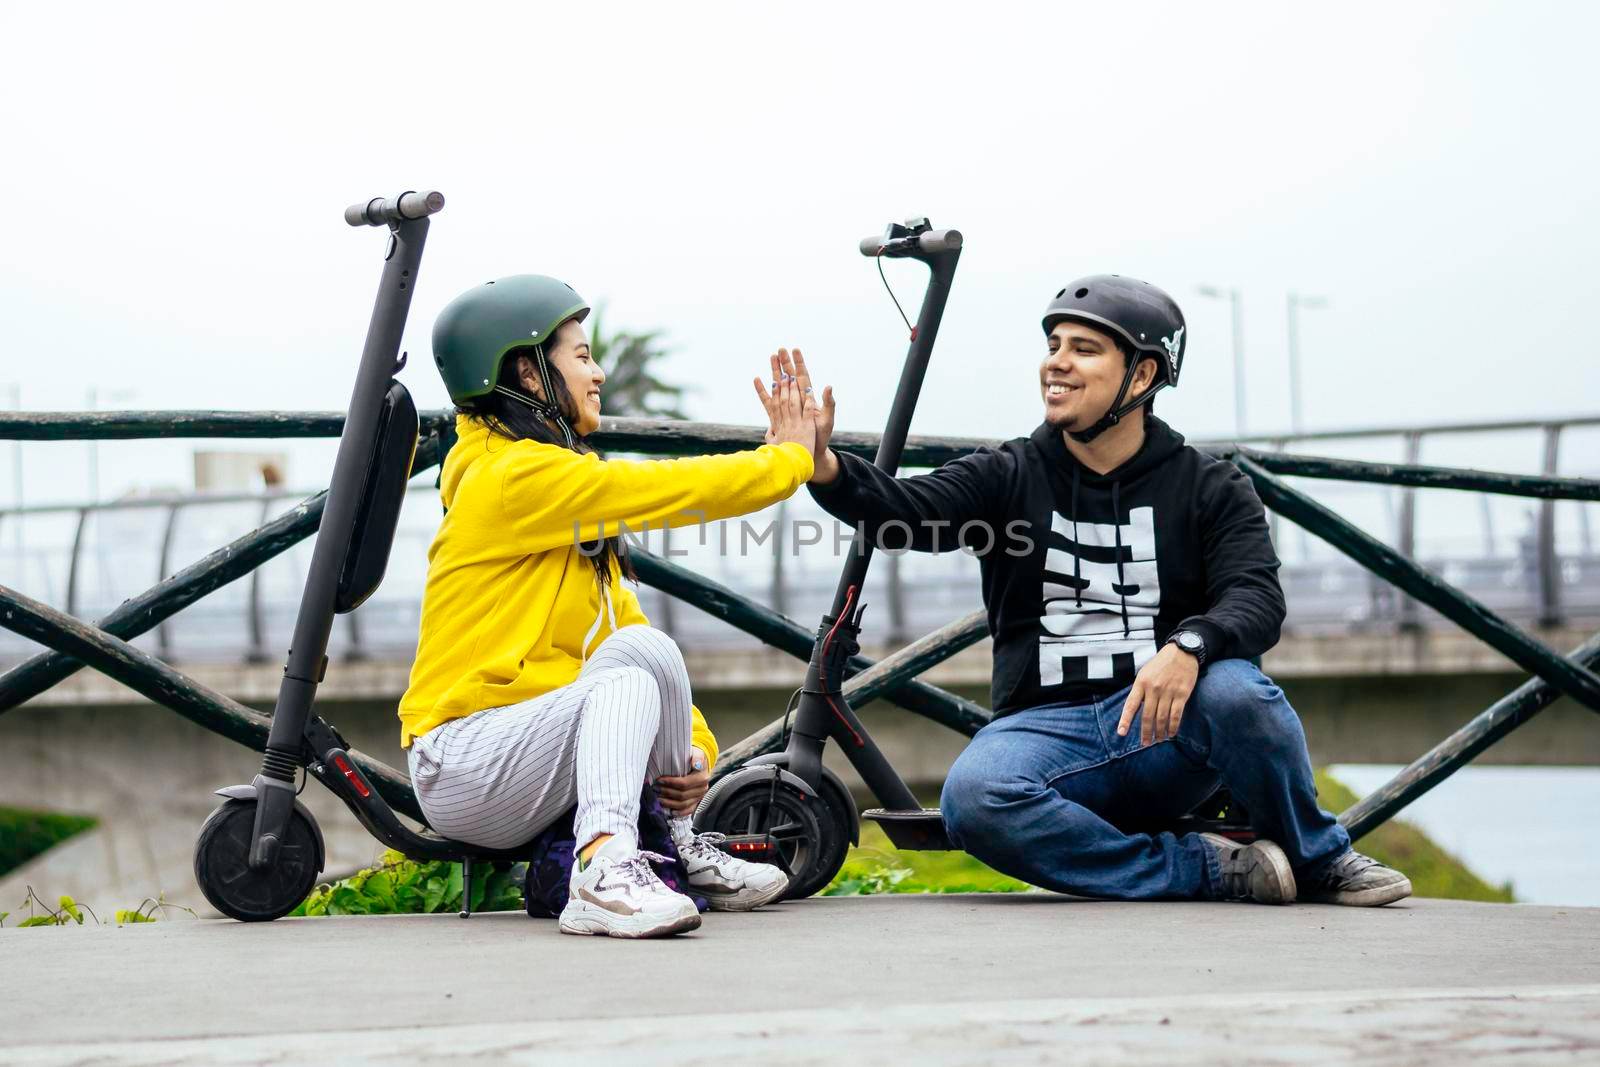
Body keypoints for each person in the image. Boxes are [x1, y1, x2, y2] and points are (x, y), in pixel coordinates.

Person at [789, 276, 1412, 906]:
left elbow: (1254, 598)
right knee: (974, 797)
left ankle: (1319, 860)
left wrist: (1189, 647)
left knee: (1239, 692)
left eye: (1084, 349)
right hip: (1045, 732)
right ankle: (1214, 870)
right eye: (1054, 344)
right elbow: (907, 513)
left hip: (1168, 730)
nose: (1056, 362)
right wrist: (829, 470)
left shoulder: (1210, 487)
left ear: (1141, 376)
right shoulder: (1008, 474)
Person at [401, 274, 820, 938]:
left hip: (523, 749)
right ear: (529, 374)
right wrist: (785, 461)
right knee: (623, 678)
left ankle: (673, 843)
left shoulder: (552, 489)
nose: (596, 374)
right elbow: (667, 487)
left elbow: (628, 632)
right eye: (581, 356)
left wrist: (693, 751)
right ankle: (601, 871)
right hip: (462, 763)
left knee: (646, 650)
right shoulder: (512, 476)